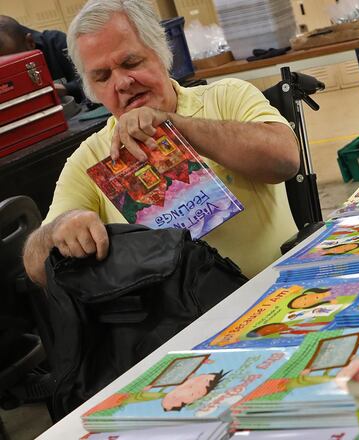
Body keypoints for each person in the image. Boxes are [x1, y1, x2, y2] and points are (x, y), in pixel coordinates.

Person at [22, 0, 300, 286]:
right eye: (102, 76)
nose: (122, 82)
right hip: (182, 324)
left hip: (275, 290)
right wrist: (59, 230)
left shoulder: (226, 97)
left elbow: (285, 160)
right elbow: (36, 266)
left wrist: (172, 124)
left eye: (130, 62)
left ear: (161, 53)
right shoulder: (90, 158)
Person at [0, 15, 85, 102]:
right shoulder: (12, 48)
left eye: (13, 62)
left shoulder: (55, 43)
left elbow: (91, 81)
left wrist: (64, 89)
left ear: (30, 42)